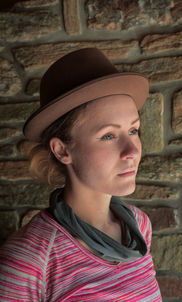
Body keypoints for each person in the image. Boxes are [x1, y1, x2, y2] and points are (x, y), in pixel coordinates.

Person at [0, 48, 162, 301]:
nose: (132, 151)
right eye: (108, 135)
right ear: (62, 150)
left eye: (133, 130)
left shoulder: (139, 226)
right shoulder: (31, 259)